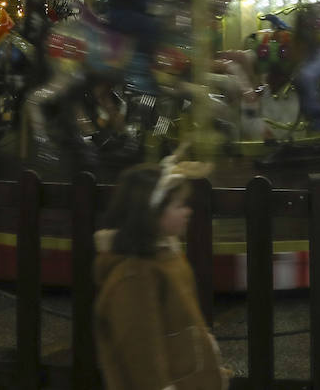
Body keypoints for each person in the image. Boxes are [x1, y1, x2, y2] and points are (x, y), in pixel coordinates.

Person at [94, 156, 228, 390]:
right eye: (178, 205)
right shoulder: (135, 276)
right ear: (151, 213)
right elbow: (141, 354)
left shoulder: (166, 258)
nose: (187, 211)